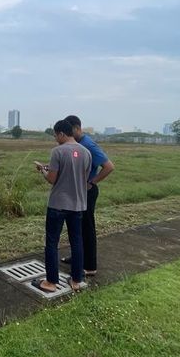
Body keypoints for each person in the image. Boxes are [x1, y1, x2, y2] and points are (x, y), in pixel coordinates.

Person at [32, 119, 91, 292]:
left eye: (56, 135)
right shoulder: (86, 152)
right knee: (76, 241)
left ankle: (51, 282)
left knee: (52, 242)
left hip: (58, 204)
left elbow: (52, 179)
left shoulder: (57, 151)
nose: (55, 139)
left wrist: (43, 170)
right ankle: (76, 281)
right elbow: (82, 176)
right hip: (78, 204)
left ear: (62, 134)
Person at [62, 115, 114, 276]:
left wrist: (92, 182)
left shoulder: (88, 144)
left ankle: (90, 266)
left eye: (70, 132)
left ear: (77, 128)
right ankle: (78, 256)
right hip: (77, 191)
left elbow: (109, 166)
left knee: (86, 227)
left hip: (87, 192)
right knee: (76, 226)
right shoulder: (77, 144)